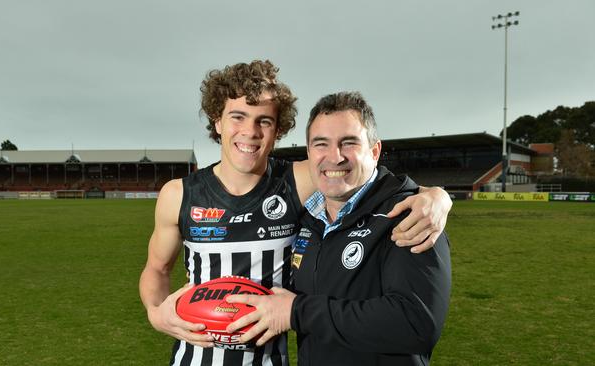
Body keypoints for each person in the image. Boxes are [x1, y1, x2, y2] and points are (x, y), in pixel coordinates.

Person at [139, 61, 452, 366]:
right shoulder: (178, 195)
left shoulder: (297, 182)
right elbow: (156, 269)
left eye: (264, 121)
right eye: (238, 117)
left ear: (278, 130)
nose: (250, 131)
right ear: (217, 121)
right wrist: (155, 312)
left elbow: (367, 177)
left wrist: (435, 197)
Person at [226, 91, 452, 365]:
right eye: (321, 144)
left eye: (348, 143)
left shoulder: (408, 215)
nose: (334, 157)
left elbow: (415, 324)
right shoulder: (308, 219)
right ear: (309, 153)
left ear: (375, 151)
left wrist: (296, 312)